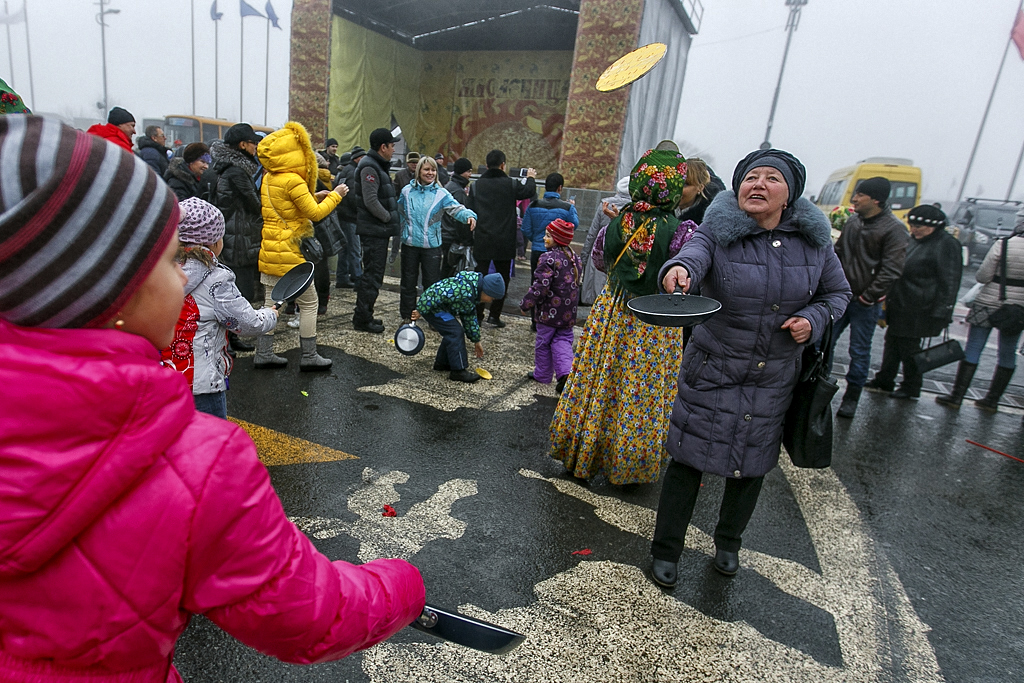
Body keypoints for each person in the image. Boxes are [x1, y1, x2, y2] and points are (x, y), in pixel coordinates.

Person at [0, 115, 425, 681]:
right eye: (167, 260)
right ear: (107, 285)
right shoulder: (199, 464)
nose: (181, 279)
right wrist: (405, 583)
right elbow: (312, 614)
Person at [649, 149, 851, 587]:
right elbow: (692, 256)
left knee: (752, 465)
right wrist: (678, 271)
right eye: (750, 177)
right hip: (714, 366)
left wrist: (812, 321)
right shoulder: (716, 230)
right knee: (688, 460)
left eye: (770, 179)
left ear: (790, 194)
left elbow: (837, 295)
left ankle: (728, 543)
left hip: (774, 375)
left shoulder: (814, 243)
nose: (757, 185)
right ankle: (666, 550)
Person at [549, 149, 698, 486]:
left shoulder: (617, 222)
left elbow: (600, 261)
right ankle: (628, 465)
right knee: (638, 388)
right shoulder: (681, 231)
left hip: (613, 311)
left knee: (597, 379)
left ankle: (581, 452)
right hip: (653, 320)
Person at [161, 198, 279, 417]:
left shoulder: (161, 269)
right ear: (214, 242)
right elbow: (247, 323)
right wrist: (270, 314)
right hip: (201, 384)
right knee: (209, 444)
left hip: (162, 378)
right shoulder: (216, 279)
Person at [256, 121, 348, 370]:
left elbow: (290, 207)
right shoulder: (293, 180)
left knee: (270, 302)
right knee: (309, 303)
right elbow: (316, 214)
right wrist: (336, 194)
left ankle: (263, 353)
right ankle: (309, 356)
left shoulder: (269, 178)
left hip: (271, 248)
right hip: (291, 251)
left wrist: (313, 197)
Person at [864, 205, 962, 399]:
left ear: (934, 226)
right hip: (901, 302)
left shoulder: (946, 244)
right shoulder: (917, 240)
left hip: (921, 307)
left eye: (919, 226)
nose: (914, 229)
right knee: (892, 342)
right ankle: (885, 379)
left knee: (909, 347)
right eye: (912, 225)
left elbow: (950, 280)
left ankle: (911, 385)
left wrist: (943, 311)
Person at [830, 176, 908, 418]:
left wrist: (869, 296)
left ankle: (851, 397)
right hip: (841, 297)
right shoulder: (853, 222)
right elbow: (838, 253)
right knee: (824, 344)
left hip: (865, 303)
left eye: (860, 195)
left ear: (876, 199)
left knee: (860, 351)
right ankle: (819, 389)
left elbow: (892, 269)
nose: (854, 199)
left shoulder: (894, 229)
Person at [936, 207, 1024, 411]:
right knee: (1007, 352)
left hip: (989, 302)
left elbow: (982, 277)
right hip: (1018, 308)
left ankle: (957, 397)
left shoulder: (1003, 245)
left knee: (974, 347)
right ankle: (992, 400)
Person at [397, 156, 477, 323]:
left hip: (431, 246)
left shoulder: (442, 193)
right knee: (408, 282)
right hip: (409, 245)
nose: (430, 173)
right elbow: (398, 211)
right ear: (419, 171)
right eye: (427, 169)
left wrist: (468, 216)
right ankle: (407, 315)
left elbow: (456, 208)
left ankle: (432, 316)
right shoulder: (406, 191)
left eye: (433, 170)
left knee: (432, 284)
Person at [467, 149, 537, 327]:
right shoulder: (511, 184)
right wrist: (530, 176)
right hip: (504, 241)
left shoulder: (476, 186)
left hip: (482, 239)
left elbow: (469, 211)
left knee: (479, 278)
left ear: (486, 163)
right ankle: (494, 315)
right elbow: (528, 190)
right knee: (502, 278)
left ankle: (477, 315)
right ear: (503, 164)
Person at [520, 218, 582, 393]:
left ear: (558, 239)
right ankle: (566, 374)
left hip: (548, 313)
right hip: (568, 312)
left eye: (548, 236)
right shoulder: (573, 257)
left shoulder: (547, 258)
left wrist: (526, 303)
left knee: (543, 342)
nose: (544, 239)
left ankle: (543, 374)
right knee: (563, 340)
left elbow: (540, 286)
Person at [411, 271, 506, 383]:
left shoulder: (472, 294)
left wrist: (476, 340)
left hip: (441, 309)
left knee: (452, 331)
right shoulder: (464, 289)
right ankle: (458, 370)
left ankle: (442, 363)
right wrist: (420, 310)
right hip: (433, 309)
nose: (491, 301)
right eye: (492, 298)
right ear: (486, 291)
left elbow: (469, 318)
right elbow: (435, 293)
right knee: (455, 332)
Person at [351, 128, 401, 334]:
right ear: (383, 147)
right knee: (371, 276)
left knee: (374, 276)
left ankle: (366, 314)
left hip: (378, 230)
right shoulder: (369, 167)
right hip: (374, 231)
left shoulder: (376, 165)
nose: (393, 149)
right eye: (392, 145)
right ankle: (362, 318)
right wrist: (388, 217)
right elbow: (371, 201)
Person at [210, 123, 264, 313]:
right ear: (242, 145)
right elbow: (255, 204)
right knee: (242, 291)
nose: (255, 148)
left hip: (232, 233)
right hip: (239, 236)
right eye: (253, 143)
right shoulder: (237, 171)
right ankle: (234, 336)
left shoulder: (228, 167)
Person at [521, 173, 578, 330]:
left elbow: (525, 228)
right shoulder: (567, 207)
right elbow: (574, 226)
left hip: (538, 251)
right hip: (560, 254)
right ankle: (553, 319)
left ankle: (535, 321)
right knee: (558, 288)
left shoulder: (533, 205)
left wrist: (538, 240)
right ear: (560, 188)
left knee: (536, 284)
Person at [580, 176, 631, 306]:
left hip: (600, 252)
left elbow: (592, 233)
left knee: (596, 293)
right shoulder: (634, 209)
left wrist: (584, 257)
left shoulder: (604, 204)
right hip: (623, 255)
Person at [334, 145, 366, 289]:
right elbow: (353, 197)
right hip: (351, 217)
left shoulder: (344, 171)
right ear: (358, 158)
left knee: (345, 249)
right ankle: (358, 279)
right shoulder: (354, 172)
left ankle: (342, 278)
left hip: (341, 214)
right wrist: (361, 211)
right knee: (354, 249)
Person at [441, 157, 475, 278]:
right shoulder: (458, 191)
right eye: (469, 171)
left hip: (443, 234)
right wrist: (467, 240)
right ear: (462, 171)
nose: (470, 175)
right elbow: (460, 220)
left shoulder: (449, 186)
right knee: (448, 271)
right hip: (451, 237)